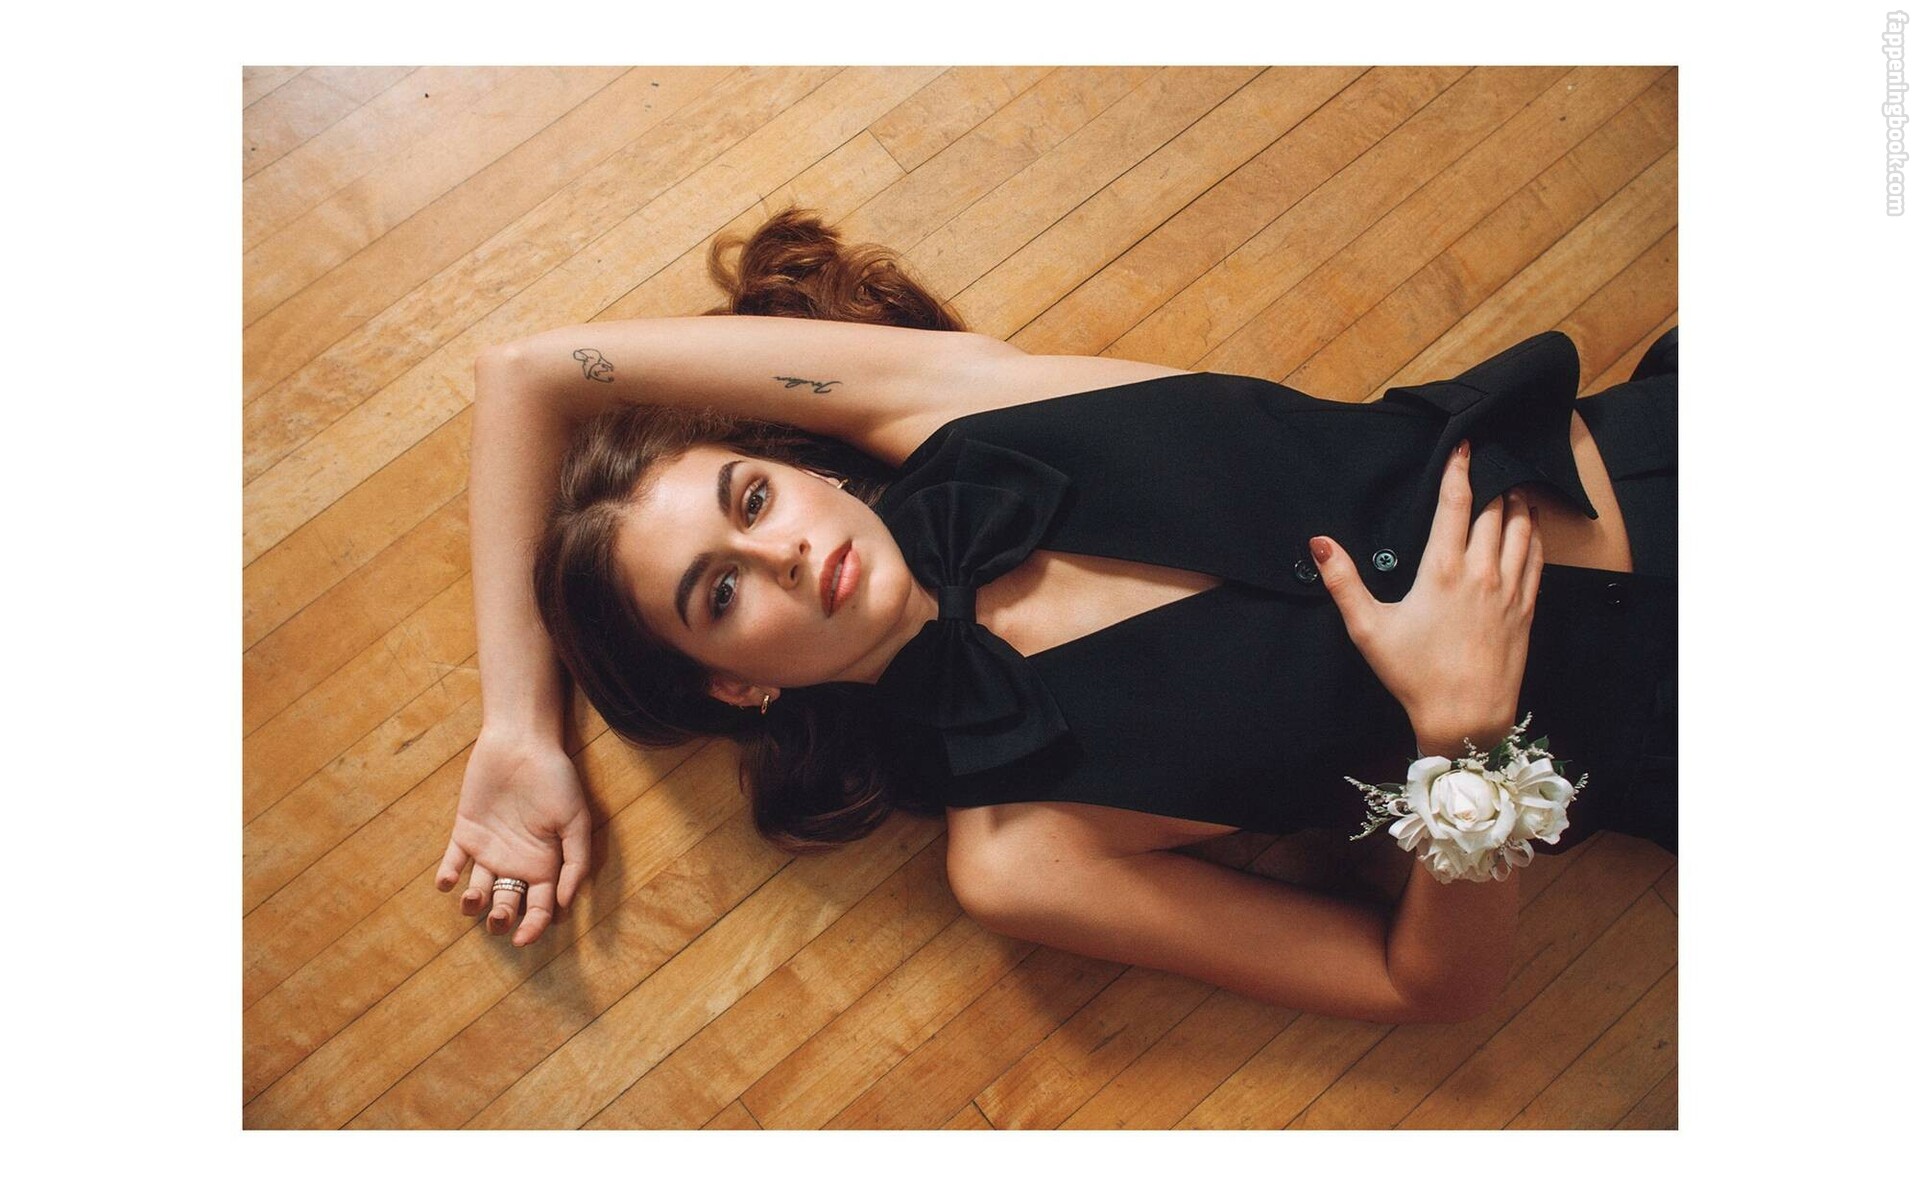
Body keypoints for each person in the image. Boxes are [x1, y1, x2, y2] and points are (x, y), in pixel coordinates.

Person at [435, 209, 1676, 1023]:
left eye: (752, 497)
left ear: (797, 468)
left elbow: (524, 374)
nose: (782, 551)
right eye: (719, 592)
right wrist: (1467, 745)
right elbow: (1426, 985)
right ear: (736, 685)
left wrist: (518, 728)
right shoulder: (1020, 853)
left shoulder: (947, 405)